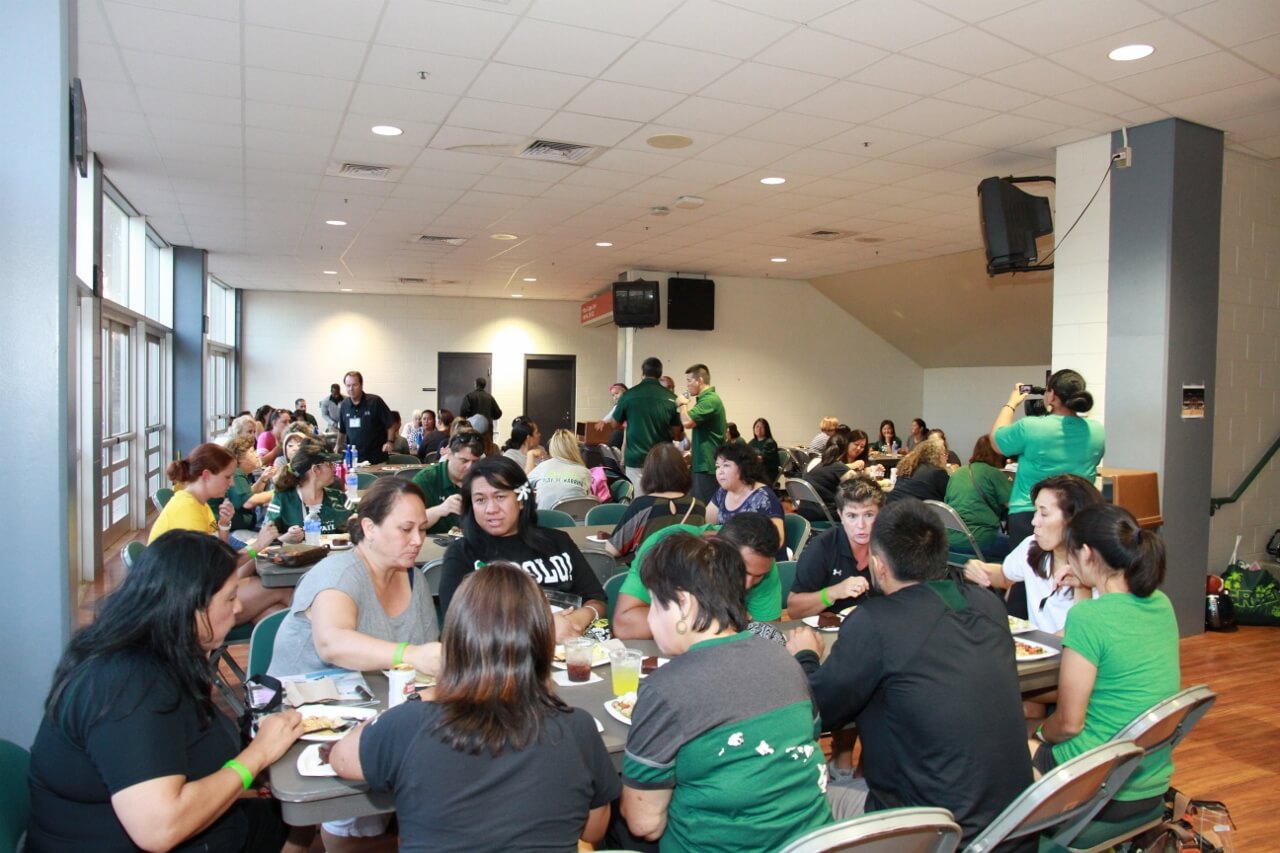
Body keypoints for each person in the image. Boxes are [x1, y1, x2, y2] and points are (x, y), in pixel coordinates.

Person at [27, 531, 305, 853]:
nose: (239, 606)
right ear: (190, 604)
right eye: (230, 598)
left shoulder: (158, 655)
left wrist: (249, 775)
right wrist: (256, 757)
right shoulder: (127, 683)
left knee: (297, 813)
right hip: (134, 839)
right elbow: (159, 829)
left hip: (202, 829)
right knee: (298, 820)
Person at [786, 500, 1033, 849]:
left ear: (878, 565)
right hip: (1012, 827)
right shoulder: (989, 605)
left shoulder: (875, 623)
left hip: (932, 833)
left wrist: (806, 656)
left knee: (793, 808)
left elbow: (818, 709)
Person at [329, 563, 619, 852]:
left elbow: (342, 759)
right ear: (543, 643)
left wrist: (429, 693)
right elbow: (594, 829)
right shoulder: (578, 728)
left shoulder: (407, 725)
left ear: (454, 641)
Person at [617, 532, 832, 853]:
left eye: (655, 605)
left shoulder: (664, 689)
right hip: (813, 842)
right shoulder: (785, 659)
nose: (649, 618)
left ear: (684, 603)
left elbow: (644, 824)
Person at [268, 476, 441, 849]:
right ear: (369, 528)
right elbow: (332, 643)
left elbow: (427, 663)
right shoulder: (339, 573)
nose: (417, 540)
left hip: (371, 709)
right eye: (406, 529)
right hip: (303, 720)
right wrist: (411, 655)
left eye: (423, 529)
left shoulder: (413, 578)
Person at [1030, 503, 1179, 823]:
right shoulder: (1161, 604)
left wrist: (1039, 733)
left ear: (1085, 553)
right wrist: (1085, 585)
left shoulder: (1090, 618)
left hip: (1096, 783)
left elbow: (1069, 724)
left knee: (1000, 744)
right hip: (1149, 780)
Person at [437, 457, 606, 641]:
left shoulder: (559, 542)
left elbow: (597, 600)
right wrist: (542, 629)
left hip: (568, 649)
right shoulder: (462, 554)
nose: (491, 509)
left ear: (521, 500)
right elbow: (456, 625)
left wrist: (578, 619)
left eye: (500, 497)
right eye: (480, 500)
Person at [965, 474, 1104, 633]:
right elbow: (1005, 577)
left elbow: (1083, 635)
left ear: (1074, 519)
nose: (1034, 521)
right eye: (1035, 511)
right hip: (1039, 646)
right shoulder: (1032, 546)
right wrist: (980, 569)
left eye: (1044, 514)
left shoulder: (1100, 568)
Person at [612, 512, 783, 641]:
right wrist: (718, 621)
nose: (748, 584)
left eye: (758, 576)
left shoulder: (759, 563)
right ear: (717, 549)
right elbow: (624, 625)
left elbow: (767, 636)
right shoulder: (667, 549)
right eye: (742, 571)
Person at [990, 369, 1105, 545]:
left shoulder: (1031, 427)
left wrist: (1011, 403)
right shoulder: (1097, 431)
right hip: (1078, 516)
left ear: (1052, 396)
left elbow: (996, 441)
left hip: (1031, 513)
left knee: (1029, 563)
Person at [787, 478, 884, 618]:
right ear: (840, 516)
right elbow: (794, 610)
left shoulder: (890, 545)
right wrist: (834, 592)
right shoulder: (822, 547)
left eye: (869, 515)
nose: (861, 525)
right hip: (834, 627)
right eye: (852, 516)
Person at [605, 443, 706, 559]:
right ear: (684, 472)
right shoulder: (698, 506)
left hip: (649, 569)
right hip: (690, 569)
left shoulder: (641, 506)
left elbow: (612, 550)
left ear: (649, 473)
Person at [605, 357, 681, 495]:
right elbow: (677, 434)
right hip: (662, 459)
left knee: (639, 500)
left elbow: (614, 424)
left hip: (635, 459)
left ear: (642, 373)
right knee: (660, 499)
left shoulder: (628, 395)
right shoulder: (671, 398)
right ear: (660, 373)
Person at [706, 442, 786, 560]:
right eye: (717, 466)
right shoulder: (723, 492)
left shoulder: (764, 497)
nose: (720, 471)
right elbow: (707, 524)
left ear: (743, 467)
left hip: (762, 563)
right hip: (731, 558)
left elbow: (776, 541)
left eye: (726, 465)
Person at [265, 440, 354, 543]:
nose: (334, 468)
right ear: (315, 469)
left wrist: (356, 522)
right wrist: (286, 538)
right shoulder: (281, 500)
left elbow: (359, 530)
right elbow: (265, 541)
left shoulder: (340, 498)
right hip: (299, 553)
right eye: (329, 464)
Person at [944, 435, 1014, 561]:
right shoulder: (994, 474)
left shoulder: (957, 473)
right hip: (980, 540)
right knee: (1020, 549)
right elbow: (1014, 505)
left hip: (950, 541)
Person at [410, 429, 485, 534]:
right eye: (464, 461)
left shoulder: (483, 478)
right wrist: (441, 509)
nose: (470, 467)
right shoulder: (426, 479)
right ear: (449, 454)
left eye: (475, 462)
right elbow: (409, 523)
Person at [677, 363, 726, 503]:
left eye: (689, 381)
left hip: (706, 465)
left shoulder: (710, 400)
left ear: (699, 380)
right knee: (698, 505)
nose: (687, 385)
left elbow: (687, 422)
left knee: (704, 508)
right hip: (702, 464)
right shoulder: (705, 400)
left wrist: (683, 404)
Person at [339, 370, 397, 465]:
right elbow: (342, 430)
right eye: (348, 385)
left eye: (354, 385)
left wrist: (390, 442)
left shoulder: (375, 402)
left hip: (376, 459)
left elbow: (391, 424)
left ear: (361, 385)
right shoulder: (344, 405)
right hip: (354, 460)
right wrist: (337, 445)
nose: (351, 389)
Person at [527, 428, 594, 510]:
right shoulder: (585, 471)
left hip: (545, 516)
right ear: (575, 448)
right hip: (574, 516)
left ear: (552, 447)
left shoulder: (543, 466)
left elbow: (523, 485)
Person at [884, 438, 949, 504]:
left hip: (891, 505)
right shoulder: (938, 472)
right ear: (936, 456)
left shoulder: (907, 467)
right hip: (912, 509)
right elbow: (949, 496)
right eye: (944, 454)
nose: (947, 458)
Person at [801, 434, 850, 519]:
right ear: (844, 452)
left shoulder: (814, 461)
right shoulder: (838, 466)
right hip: (824, 513)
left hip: (804, 510)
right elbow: (860, 485)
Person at [460, 376, 502, 448]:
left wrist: (466, 421)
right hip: (487, 429)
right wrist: (491, 417)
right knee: (487, 447)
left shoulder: (469, 396)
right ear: (484, 386)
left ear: (475, 384)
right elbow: (498, 413)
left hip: (472, 427)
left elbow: (463, 412)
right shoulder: (490, 397)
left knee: (473, 447)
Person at [749, 417, 780, 486]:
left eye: (762, 427)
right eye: (757, 427)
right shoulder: (752, 442)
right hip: (756, 472)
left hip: (766, 474)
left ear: (766, 429)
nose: (759, 429)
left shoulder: (770, 443)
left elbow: (760, 459)